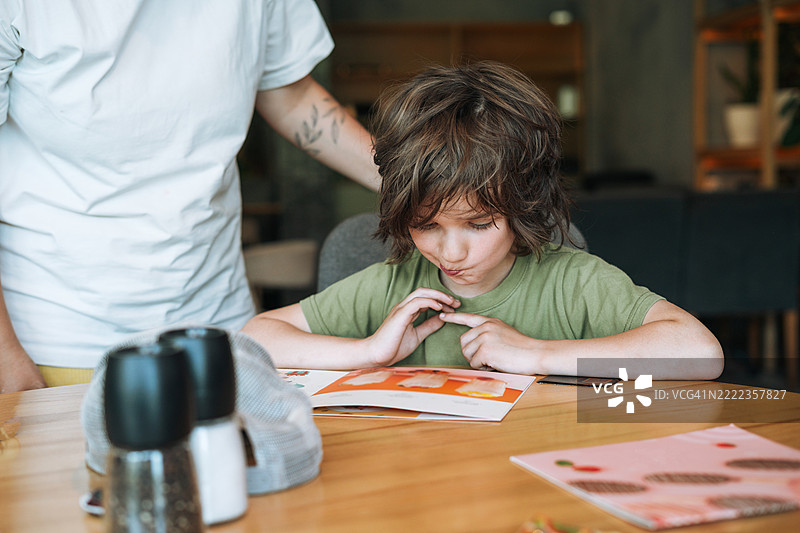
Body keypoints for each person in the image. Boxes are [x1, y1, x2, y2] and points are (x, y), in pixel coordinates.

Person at [242, 61, 724, 379]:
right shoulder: (395, 284)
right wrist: (368, 351)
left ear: (524, 205)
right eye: (426, 226)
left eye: (477, 225)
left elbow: (702, 352)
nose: (450, 254)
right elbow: (255, 337)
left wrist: (534, 354)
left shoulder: (573, 282)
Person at [0, 0, 380, 393]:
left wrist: (411, 184)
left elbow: (290, 94)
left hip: (219, 329)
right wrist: (5, 357)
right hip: (59, 339)